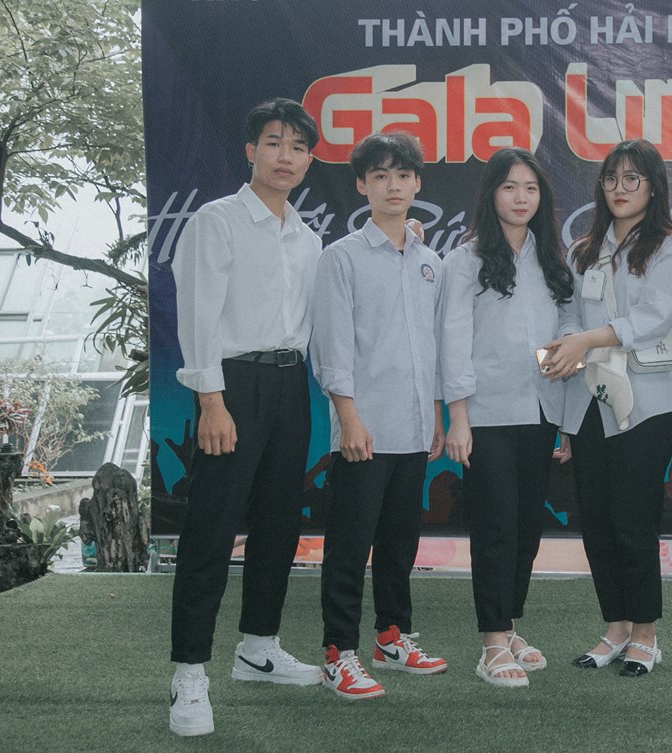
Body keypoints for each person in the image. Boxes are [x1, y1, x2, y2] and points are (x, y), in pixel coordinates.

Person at [168, 98, 323, 737]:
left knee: (280, 525)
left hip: (291, 386)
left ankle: (259, 647)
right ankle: (188, 675)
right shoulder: (217, 221)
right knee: (211, 529)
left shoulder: (309, 239)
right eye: (274, 143)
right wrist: (211, 399)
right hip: (231, 386)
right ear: (251, 150)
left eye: (298, 147)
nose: (286, 156)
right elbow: (197, 313)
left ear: (309, 160)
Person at [542, 139, 672, 677]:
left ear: (653, 186)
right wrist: (570, 342)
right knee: (597, 522)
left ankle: (645, 635)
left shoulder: (668, 248)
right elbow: (565, 313)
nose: (620, 188)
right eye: (611, 178)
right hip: (587, 401)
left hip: (645, 405)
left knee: (633, 521)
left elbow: (652, 319)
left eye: (633, 179)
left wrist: (586, 340)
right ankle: (615, 629)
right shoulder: (584, 249)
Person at [310, 131, 447, 700]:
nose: (394, 185)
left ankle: (392, 637)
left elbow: (433, 346)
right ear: (362, 185)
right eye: (381, 176)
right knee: (349, 547)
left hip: (413, 428)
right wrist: (348, 417)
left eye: (403, 175)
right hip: (363, 429)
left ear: (417, 184)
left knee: (399, 544)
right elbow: (331, 345)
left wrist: (435, 414)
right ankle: (337, 654)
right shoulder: (340, 258)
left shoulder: (431, 263)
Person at [440, 148, 574, 688]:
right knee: (495, 528)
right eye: (510, 187)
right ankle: (492, 642)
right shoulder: (464, 260)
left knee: (525, 531)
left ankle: (510, 625)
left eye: (531, 188)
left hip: (541, 411)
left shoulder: (552, 260)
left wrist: (565, 419)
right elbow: (453, 342)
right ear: (491, 193)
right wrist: (458, 417)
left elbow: (563, 340)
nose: (521, 198)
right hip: (486, 415)